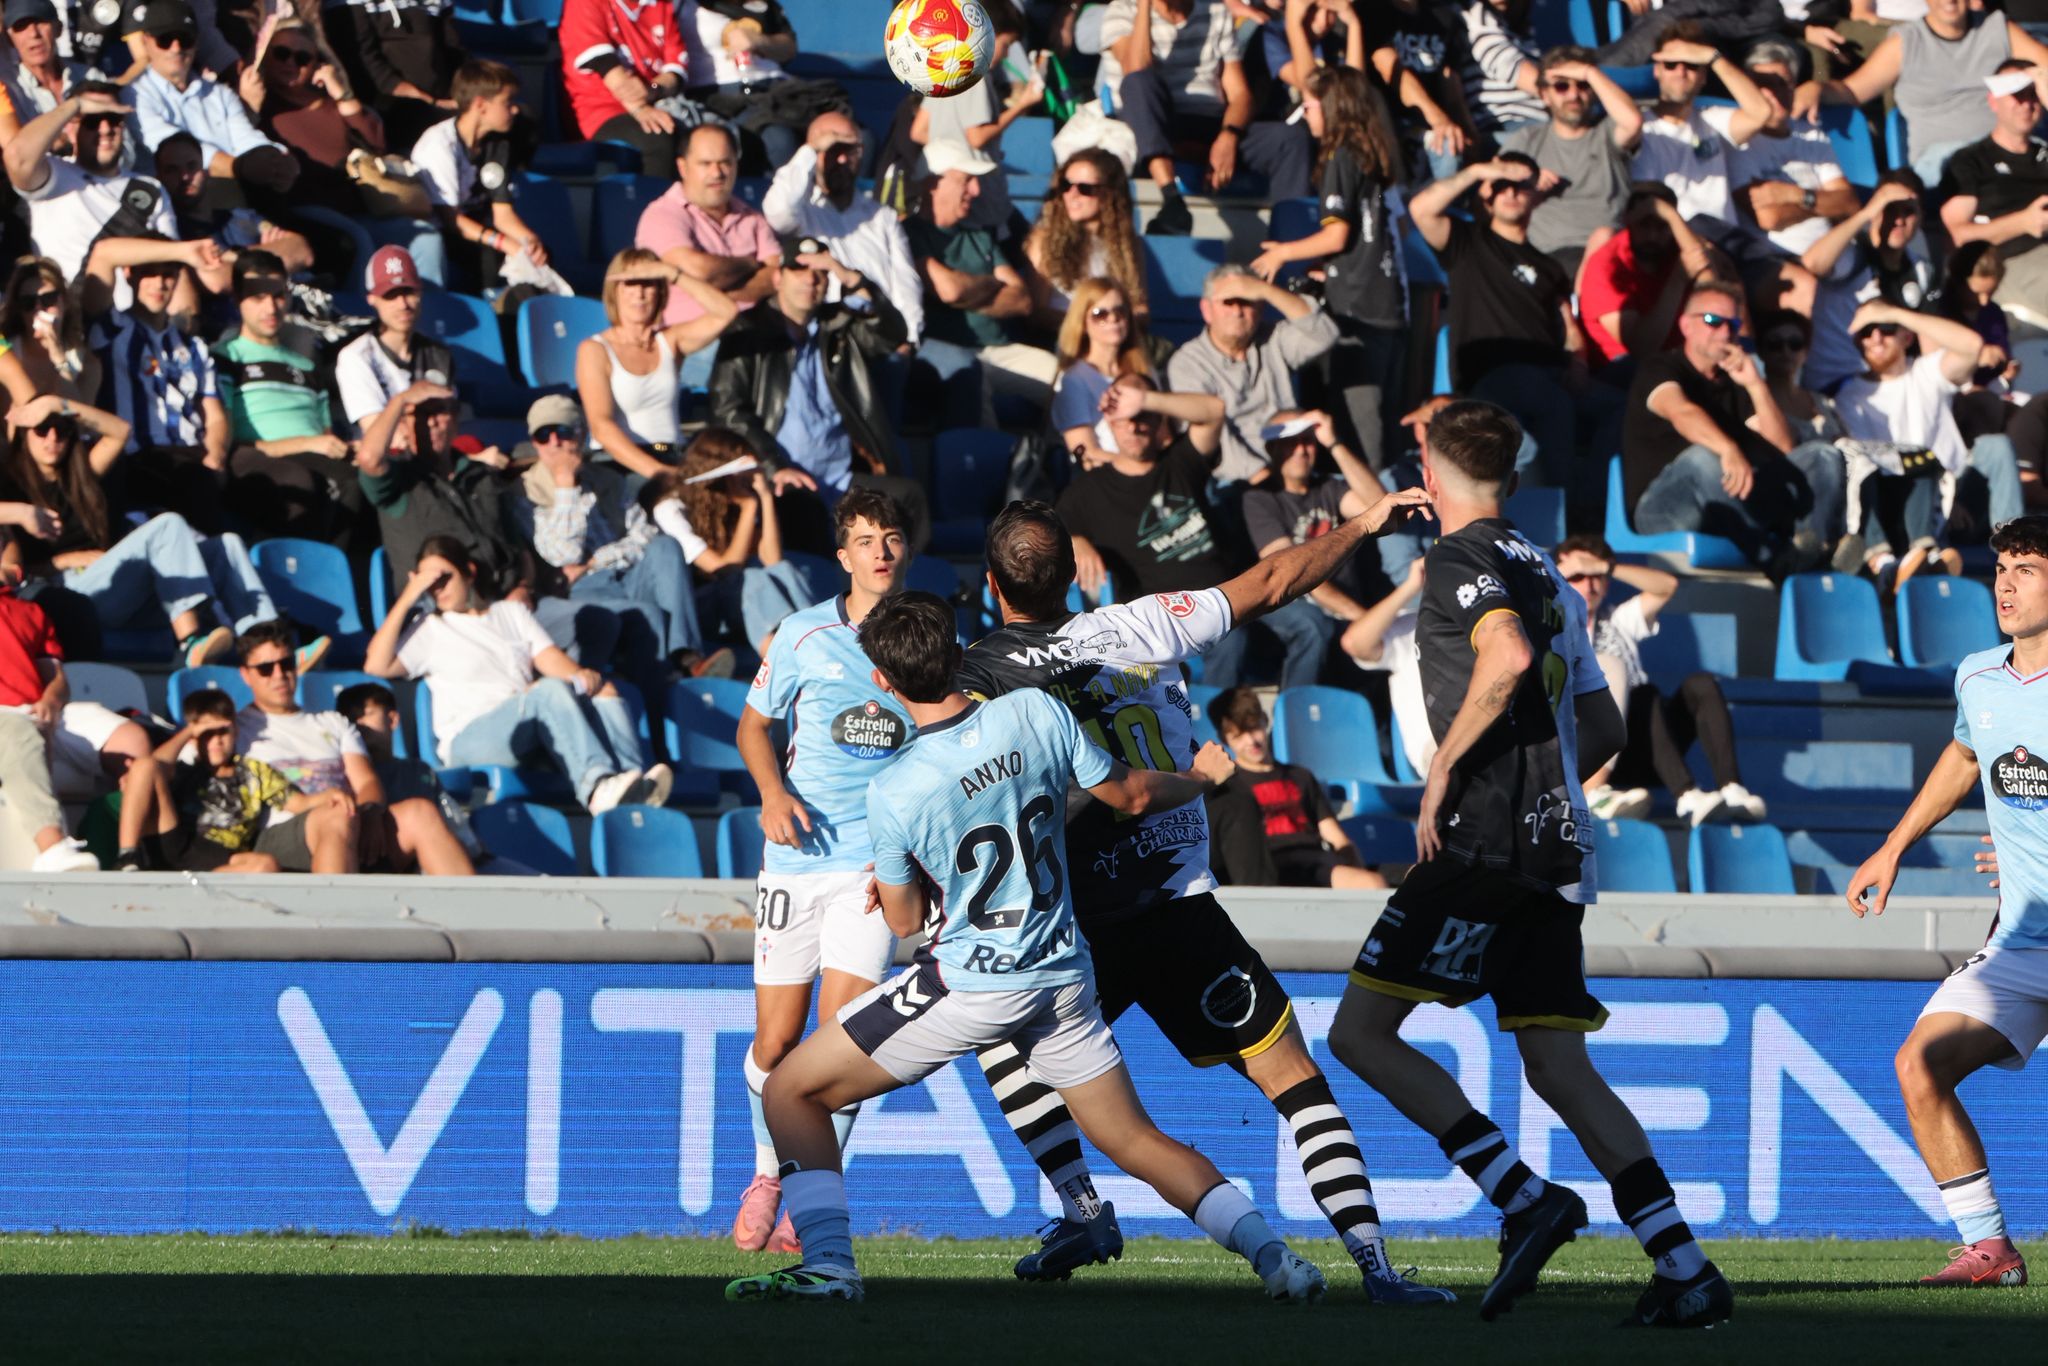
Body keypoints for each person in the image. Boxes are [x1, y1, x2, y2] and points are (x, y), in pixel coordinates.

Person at [724, 590, 1328, 1306]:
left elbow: (909, 918)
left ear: (882, 684)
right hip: (1065, 971)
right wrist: (1198, 779)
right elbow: (1132, 794)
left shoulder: (895, 789)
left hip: (979, 980)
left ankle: (828, 1266)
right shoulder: (1038, 713)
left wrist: (906, 878)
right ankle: (1277, 1259)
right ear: (957, 655)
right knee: (1133, 1139)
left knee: (792, 1088)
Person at [955, 494, 1450, 1302]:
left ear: (992, 585)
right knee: (1291, 1078)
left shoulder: (976, 676)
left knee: (1004, 1052)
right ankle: (1377, 1268)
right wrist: (1362, 525)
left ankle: (1083, 1207)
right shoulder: (1140, 624)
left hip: (1078, 927)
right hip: (1182, 905)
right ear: (1067, 579)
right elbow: (1272, 580)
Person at [1324, 398, 1733, 1328]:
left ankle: (1519, 1194)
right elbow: (1604, 725)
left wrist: (1448, 768)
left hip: (1483, 840)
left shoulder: (1459, 559)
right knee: (1558, 1063)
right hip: (1556, 846)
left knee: (1360, 1035)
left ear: (1430, 474)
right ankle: (1684, 1268)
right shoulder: (1545, 567)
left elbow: (1502, 656)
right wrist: (1542, 771)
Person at [1844, 513, 2048, 1288]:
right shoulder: (1979, 675)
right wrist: (1893, 847)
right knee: (1918, 1065)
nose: (2004, 581)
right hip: (2024, 944)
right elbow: (1965, 755)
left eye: (2026, 567)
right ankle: (1989, 1251)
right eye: (2000, 566)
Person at [728, 488, 912, 1255]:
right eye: (865, 540)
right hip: (795, 862)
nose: (880, 551)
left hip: (871, 869)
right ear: (843, 556)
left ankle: (809, 1204)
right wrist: (771, 794)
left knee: (839, 1042)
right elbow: (752, 726)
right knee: (775, 1042)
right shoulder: (801, 635)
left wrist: (913, 860)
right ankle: (769, 1170)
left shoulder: (931, 638)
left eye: (891, 537)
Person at [0, 391, 319, 670]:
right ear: (25, 434)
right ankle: (191, 639)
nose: (52, 438)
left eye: (63, 429)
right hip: (71, 592)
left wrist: (58, 404)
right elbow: (18, 574)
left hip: (120, 589)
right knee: (168, 525)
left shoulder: (82, 477)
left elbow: (120, 430)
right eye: (42, 429)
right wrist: (65, 559)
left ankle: (268, 648)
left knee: (227, 545)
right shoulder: (12, 483)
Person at [364, 534, 670, 814]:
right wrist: (409, 595)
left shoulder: (509, 614)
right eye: (428, 583)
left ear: (469, 572)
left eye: (443, 578)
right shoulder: (429, 628)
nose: (437, 588)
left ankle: (633, 787)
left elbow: (549, 657)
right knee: (545, 692)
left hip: (526, 724)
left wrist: (586, 678)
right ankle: (597, 787)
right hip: (471, 736)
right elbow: (375, 665)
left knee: (605, 692)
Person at [708, 235, 928, 553]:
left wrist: (853, 278)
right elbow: (728, 410)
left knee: (909, 498)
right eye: (799, 269)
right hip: (781, 478)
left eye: (821, 272)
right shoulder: (746, 331)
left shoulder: (837, 326)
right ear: (777, 276)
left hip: (839, 478)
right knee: (806, 517)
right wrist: (774, 467)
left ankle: (907, 599)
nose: (812, 278)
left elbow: (891, 336)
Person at [1622, 278, 1844, 578]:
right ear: (1686, 325)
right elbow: (1681, 411)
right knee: (1702, 458)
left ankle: (1812, 549)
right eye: (1714, 321)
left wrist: (1755, 385)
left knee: (1822, 455)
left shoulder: (1733, 382)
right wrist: (1728, 449)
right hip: (1662, 509)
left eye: (1733, 324)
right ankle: (1774, 558)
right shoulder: (1660, 368)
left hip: (1732, 502)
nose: (1725, 332)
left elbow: (1784, 449)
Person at [1245, 65, 1406, 472]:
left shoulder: (1339, 156)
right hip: (1386, 303)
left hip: (1356, 314)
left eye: (1311, 105)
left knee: (1359, 437)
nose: (1306, 114)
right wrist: (1328, 267)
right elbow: (1370, 237)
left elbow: (1338, 236)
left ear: (1333, 108)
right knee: (1378, 426)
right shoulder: (1373, 153)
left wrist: (1283, 253)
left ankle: (1373, 528)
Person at [512, 393, 732, 680]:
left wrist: (595, 561)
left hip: (623, 572)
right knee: (648, 614)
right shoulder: (525, 492)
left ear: (581, 434)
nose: (555, 442)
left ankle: (687, 656)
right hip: (578, 590)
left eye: (563, 431)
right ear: (535, 442)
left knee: (666, 547)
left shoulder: (608, 480)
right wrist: (566, 487)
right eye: (543, 435)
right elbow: (562, 556)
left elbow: (644, 535)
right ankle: (670, 688)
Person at [1552, 533, 1766, 826]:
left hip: (1645, 750)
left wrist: (1605, 566)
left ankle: (1732, 789)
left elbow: (1667, 587)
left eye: (1596, 577)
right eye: (1577, 576)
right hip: (1590, 753)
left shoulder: (1617, 621)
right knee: (1641, 693)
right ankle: (1686, 795)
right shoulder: (1550, 628)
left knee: (1699, 685)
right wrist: (1558, 572)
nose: (1588, 585)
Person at [233, 619, 475, 876]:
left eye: (286, 663)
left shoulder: (332, 723)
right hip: (281, 836)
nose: (279, 675)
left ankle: (472, 913)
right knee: (336, 816)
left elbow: (366, 781)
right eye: (266, 669)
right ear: (246, 674)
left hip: (350, 824)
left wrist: (371, 813)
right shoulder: (237, 731)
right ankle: (337, 913)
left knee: (421, 813)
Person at [1409, 154, 1583, 488]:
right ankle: (1553, 512)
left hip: (1550, 375)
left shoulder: (1550, 267)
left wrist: (1579, 361)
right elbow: (1421, 209)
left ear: (1535, 195)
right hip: (1492, 377)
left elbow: (1569, 328)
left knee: (1622, 408)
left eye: (1520, 185)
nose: (1511, 192)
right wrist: (1477, 170)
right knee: (1541, 408)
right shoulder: (1467, 242)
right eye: (1501, 184)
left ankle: (1573, 516)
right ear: (1486, 193)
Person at [1097, 0, 1312, 235]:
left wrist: (1229, 136)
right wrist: (1145, 7)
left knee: (1290, 138)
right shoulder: (1122, 10)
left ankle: (1292, 249)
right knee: (1139, 83)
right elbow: (1136, 68)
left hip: (1209, 122)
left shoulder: (1215, 10)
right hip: (1152, 123)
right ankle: (1171, 200)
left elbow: (1240, 94)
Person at [1833, 300, 2021, 557]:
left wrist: (1895, 311)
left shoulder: (1925, 371)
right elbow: (1871, 465)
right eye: (1866, 332)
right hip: (1908, 500)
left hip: (1959, 490)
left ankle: (2016, 556)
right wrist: (1941, 497)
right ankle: (1922, 558)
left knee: (1996, 447)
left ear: (1907, 337)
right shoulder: (1849, 397)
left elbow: (1972, 346)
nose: (1876, 338)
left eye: (1886, 328)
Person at [114, 686, 357, 874]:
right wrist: (190, 731)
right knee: (145, 765)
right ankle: (127, 855)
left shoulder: (253, 771)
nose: (216, 741)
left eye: (223, 732)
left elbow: (299, 804)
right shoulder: (184, 768)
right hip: (176, 839)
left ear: (236, 731)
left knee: (265, 866)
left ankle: (188, 886)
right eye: (208, 735)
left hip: (220, 856)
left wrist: (330, 795)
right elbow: (147, 769)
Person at [213, 250, 361, 543]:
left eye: (278, 295)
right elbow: (228, 442)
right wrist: (306, 443)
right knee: (307, 482)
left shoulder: (307, 365)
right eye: (257, 297)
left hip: (316, 456)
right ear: (236, 300)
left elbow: (325, 435)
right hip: (255, 459)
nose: (270, 307)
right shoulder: (224, 357)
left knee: (374, 475)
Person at [907, 138, 1054, 430]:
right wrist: (992, 285)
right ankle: (990, 467)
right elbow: (949, 289)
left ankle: (1060, 460)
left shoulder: (979, 236)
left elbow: (1022, 300)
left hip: (1000, 350)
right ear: (933, 183)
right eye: (966, 180)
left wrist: (967, 289)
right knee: (975, 382)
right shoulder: (910, 234)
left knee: (1068, 380)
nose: (975, 190)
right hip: (947, 352)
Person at [90, 232, 231, 533]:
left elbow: (215, 415)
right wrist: (184, 250)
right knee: (195, 486)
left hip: (191, 458)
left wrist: (215, 456)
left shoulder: (192, 346)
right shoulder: (111, 329)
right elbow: (103, 253)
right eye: (150, 273)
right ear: (129, 274)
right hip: (137, 459)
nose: (160, 283)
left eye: (169, 274)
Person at [1820, 0, 2048, 185]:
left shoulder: (1997, 28)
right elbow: (1852, 90)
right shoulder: (1906, 42)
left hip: (2008, 151)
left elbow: (2044, 65)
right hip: (1943, 163)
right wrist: (1817, 89)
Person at [1714, 36, 1857, 316]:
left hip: (1836, 256)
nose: (1774, 93)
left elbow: (1850, 203)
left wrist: (1793, 194)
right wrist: (1823, 204)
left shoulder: (1810, 135)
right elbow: (1768, 218)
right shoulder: (1738, 142)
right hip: (1780, 261)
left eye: (1782, 83)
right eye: (1763, 85)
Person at [635, 428, 810, 655]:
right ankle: (786, 656)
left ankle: (815, 636)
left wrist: (765, 497)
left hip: (741, 603)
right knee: (750, 579)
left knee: (783, 570)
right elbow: (723, 570)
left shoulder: (732, 503)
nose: (745, 480)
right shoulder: (670, 508)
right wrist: (749, 507)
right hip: (696, 612)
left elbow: (773, 560)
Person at [1241, 408, 1389, 672]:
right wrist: (1361, 617)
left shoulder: (1329, 487)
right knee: (1313, 626)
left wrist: (1333, 442)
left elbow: (1381, 508)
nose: (1301, 450)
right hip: (1299, 605)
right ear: (1272, 448)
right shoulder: (1259, 498)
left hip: (1347, 608)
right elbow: (1292, 573)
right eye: (1290, 442)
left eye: (1308, 440)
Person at [2, 84, 177, 308]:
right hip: (74, 320)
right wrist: (75, 106)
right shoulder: (53, 173)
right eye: (91, 121)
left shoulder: (150, 187)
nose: (105, 129)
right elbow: (16, 157)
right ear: (71, 128)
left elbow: (172, 263)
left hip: (136, 326)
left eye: (112, 118)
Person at [1163, 264, 1337, 487]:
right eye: (1228, 302)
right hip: (1234, 480)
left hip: (1294, 465)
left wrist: (1265, 289)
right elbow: (1214, 440)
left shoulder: (1273, 337)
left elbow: (1325, 335)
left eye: (1246, 301)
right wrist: (1264, 478)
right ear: (1207, 310)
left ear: (1261, 307)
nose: (1237, 311)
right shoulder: (1187, 363)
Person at [760, 110, 923, 344]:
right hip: (826, 340)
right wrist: (811, 150)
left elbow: (907, 284)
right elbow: (776, 210)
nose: (843, 160)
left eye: (851, 151)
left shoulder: (881, 216)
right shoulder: (802, 211)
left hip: (881, 337)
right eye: (834, 150)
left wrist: (909, 339)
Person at [575, 248, 737, 481]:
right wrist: (660, 473)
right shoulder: (595, 349)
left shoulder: (669, 341)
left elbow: (726, 311)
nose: (639, 293)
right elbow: (601, 426)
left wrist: (673, 274)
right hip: (620, 461)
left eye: (649, 283)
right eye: (630, 284)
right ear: (615, 291)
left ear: (660, 292)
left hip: (667, 450)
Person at [1205, 685, 1386, 889]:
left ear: (1265, 720)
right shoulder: (1228, 786)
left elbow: (1337, 838)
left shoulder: (1300, 776)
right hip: (1267, 865)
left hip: (1315, 863)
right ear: (1223, 739)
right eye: (1239, 736)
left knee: (1373, 884)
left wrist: (1352, 861)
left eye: (1255, 728)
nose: (1252, 741)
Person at [127, 0, 299, 204]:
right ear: (146, 41)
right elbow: (175, 152)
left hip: (233, 203)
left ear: (196, 42)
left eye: (185, 39)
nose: (176, 48)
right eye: (165, 40)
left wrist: (278, 157)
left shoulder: (218, 93)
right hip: (174, 205)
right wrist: (242, 168)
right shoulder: (133, 94)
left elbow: (247, 138)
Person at [1501, 46, 1643, 277]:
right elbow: (1489, 193)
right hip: (1545, 257)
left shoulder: (1606, 133)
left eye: (1582, 85)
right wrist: (1527, 183)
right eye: (1561, 86)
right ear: (1545, 95)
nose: (1573, 94)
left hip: (1609, 256)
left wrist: (1590, 73)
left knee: (1603, 241)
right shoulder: (1526, 141)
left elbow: (1633, 122)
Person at [0, 580, 107, 872]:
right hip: (12, 722)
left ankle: (130, 854)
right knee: (21, 734)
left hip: (34, 715)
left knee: (134, 741)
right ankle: (52, 846)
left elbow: (57, 679)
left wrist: (50, 701)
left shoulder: (31, 611)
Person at [411, 60, 545, 292]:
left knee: (538, 259)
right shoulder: (440, 145)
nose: (514, 109)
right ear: (481, 105)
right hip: (446, 236)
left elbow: (502, 212)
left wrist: (529, 240)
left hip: (481, 233)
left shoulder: (498, 143)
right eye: (507, 102)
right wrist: (504, 243)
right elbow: (449, 219)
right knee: (489, 258)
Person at [333, 679, 490, 870]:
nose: (358, 725)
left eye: (366, 715)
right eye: (349, 719)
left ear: (392, 719)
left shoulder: (419, 771)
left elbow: (452, 821)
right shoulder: (340, 773)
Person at [909, 0, 1036, 236]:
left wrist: (954, 148)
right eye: (1005, 44)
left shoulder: (947, 71)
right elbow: (976, 137)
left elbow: (919, 131)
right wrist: (1022, 105)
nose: (1007, 53)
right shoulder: (977, 76)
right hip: (982, 208)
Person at [1630, 26, 1772, 233]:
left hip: (1725, 240)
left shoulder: (1711, 118)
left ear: (1704, 75)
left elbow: (1760, 113)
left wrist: (1713, 58)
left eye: (1692, 65)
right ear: (1657, 70)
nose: (1681, 72)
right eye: (1671, 64)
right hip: (1668, 240)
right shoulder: (1636, 124)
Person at [635, 123, 779, 326]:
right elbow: (697, 272)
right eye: (705, 163)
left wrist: (717, 294)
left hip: (751, 334)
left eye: (725, 162)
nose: (717, 172)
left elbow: (778, 275)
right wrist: (750, 264)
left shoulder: (752, 217)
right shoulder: (662, 214)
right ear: (682, 167)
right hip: (690, 341)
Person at [1800, 175, 1933, 394]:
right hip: (1834, 384)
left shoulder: (1919, 269)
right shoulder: (1852, 254)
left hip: (1887, 384)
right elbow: (1812, 263)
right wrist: (1864, 214)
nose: (1899, 220)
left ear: (1921, 217)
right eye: (1890, 210)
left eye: (1908, 211)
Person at [1936, 61, 2048, 314]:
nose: (2027, 103)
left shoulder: (2044, 154)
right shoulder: (1971, 161)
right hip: (2007, 261)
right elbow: (1957, 238)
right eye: (2017, 95)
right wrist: (2023, 222)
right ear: (1993, 101)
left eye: (2034, 95)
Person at [1577, 186, 1723, 371]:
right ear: (1628, 221)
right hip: (1619, 368)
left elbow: (1714, 294)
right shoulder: (1609, 263)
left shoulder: (1676, 249)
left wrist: (1671, 216)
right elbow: (1642, 348)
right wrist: (1678, 280)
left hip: (1676, 357)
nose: (1652, 236)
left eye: (1662, 226)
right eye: (1644, 225)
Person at [559, 0, 693, 179]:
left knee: (708, 140)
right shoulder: (583, 3)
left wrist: (652, 89)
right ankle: (656, 206)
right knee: (658, 137)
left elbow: (676, 69)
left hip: (654, 102)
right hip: (600, 112)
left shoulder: (660, 4)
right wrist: (640, 107)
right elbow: (602, 61)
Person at [151, 132, 315, 274]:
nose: (185, 176)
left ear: (206, 171)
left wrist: (231, 259)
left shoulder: (239, 216)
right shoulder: (171, 234)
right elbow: (216, 279)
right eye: (172, 170)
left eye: (192, 166)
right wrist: (271, 252)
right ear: (159, 179)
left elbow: (301, 250)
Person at [335, 246, 453, 439]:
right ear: (372, 299)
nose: (402, 304)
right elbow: (379, 436)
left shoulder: (439, 354)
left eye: (408, 292)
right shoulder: (355, 357)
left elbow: (448, 427)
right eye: (390, 294)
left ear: (420, 293)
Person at [1023, 148, 1146, 330]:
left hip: (1114, 338)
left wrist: (1117, 324)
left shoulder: (1127, 243)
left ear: (1109, 194)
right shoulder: (1044, 239)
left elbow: (1140, 306)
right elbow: (1036, 312)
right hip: (1061, 342)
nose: (1072, 195)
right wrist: (1090, 327)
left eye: (1085, 189)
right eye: (1066, 186)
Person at [326, 0, 467, 151]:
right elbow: (367, 67)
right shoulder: (347, 5)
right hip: (393, 116)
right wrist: (430, 102)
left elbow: (455, 51)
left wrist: (464, 98)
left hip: (443, 107)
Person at [1361, 0, 1476, 181]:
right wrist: (1439, 120)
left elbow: (1451, 87)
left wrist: (1468, 133)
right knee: (1447, 147)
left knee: (1460, 143)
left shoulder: (1444, 17)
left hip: (1430, 126)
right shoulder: (1372, 11)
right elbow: (1390, 69)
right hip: (1389, 123)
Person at [1051, 277, 1152, 473]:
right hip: (1105, 481)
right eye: (1100, 314)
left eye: (1120, 311)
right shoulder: (1073, 379)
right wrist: (1141, 467)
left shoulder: (1144, 370)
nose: (1113, 319)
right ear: (1083, 322)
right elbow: (1086, 453)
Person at [0, 257, 99, 405]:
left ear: (64, 302)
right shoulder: (7, 352)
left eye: (48, 299)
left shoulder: (86, 364)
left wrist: (59, 359)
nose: (38, 308)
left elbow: (79, 419)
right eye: (28, 302)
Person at [0, 0, 89, 133]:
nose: (33, 33)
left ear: (58, 28)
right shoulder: (8, 92)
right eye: (21, 26)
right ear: (9, 39)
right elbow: (17, 149)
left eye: (40, 22)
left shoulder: (91, 77)